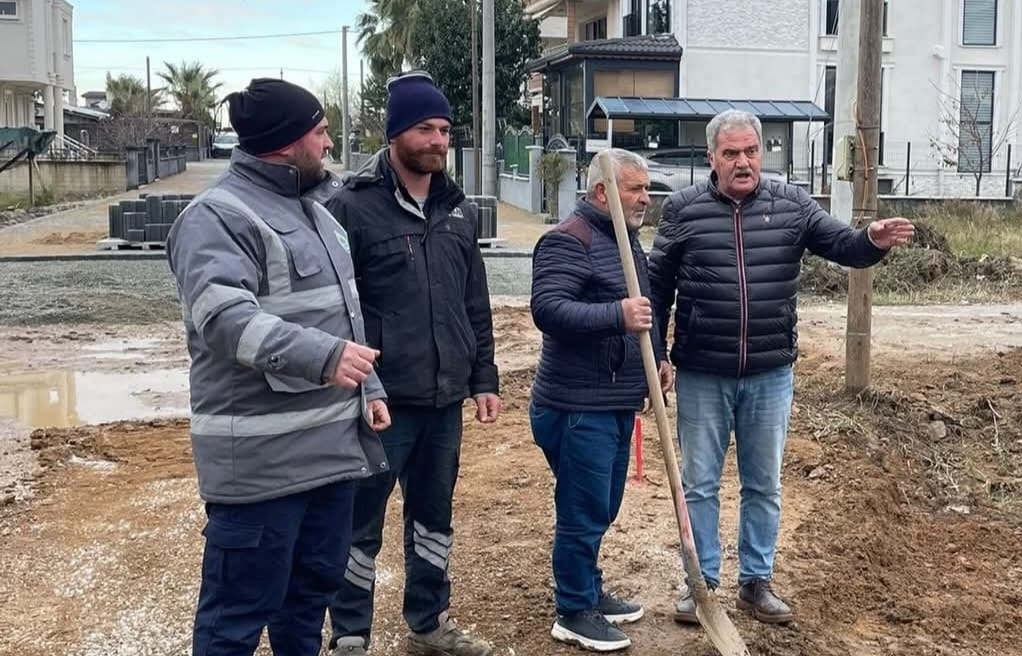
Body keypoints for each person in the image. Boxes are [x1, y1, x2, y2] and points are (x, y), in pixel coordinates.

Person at [648, 109, 915, 625]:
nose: (743, 162)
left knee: (763, 484)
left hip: (769, 373)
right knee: (699, 483)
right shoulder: (682, 209)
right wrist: (658, 353)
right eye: (731, 153)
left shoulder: (792, 204)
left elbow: (842, 245)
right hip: (702, 371)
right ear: (712, 158)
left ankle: (756, 582)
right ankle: (701, 585)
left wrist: (872, 239)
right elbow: (657, 289)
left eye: (751, 151)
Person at [166, 77, 392, 656]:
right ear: (287, 143)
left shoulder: (317, 212)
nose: (328, 145)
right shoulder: (216, 216)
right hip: (261, 469)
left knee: (307, 603)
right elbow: (225, 320)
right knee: (235, 620)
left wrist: (368, 387)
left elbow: (341, 315)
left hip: (328, 460)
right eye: (321, 133)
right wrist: (327, 358)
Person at [325, 71, 500, 656]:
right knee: (359, 523)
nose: (438, 140)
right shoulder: (351, 207)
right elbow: (335, 307)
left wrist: (483, 379)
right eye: (425, 128)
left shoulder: (458, 210)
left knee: (433, 518)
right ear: (396, 132)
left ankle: (428, 623)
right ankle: (350, 634)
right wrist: (357, 384)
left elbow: (474, 302)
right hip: (379, 401)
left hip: (444, 400)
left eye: (445, 130)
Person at [528, 148, 673, 652]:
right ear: (601, 192)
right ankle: (573, 610)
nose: (646, 198)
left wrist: (658, 357)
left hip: (614, 401)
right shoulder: (568, 240)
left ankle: (588, 590)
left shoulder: (626, 242)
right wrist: (616, 315)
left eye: (646, 188)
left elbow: (646, 312)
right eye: (635, 188)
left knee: (602, 506)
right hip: (575, 406)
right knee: (583, 510)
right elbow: (549, 309)